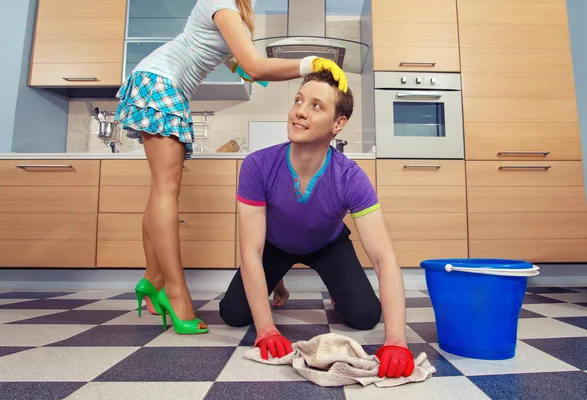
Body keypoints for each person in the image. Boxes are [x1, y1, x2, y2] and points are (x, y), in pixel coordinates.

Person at [116, 0, 348, 335]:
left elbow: (241, 66)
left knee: (160, 189)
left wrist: (273, 77)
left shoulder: (231, 13)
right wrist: (311, 63)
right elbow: (254, 67)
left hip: (162, 83)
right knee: (166, 188)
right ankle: (177, 295)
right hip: (162, 82)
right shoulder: (221, 3)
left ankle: (154, 279)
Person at [219, 70, 415, 379]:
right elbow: (251, 252)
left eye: (316, 106)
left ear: (338, 124)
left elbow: (383, 257)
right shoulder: (257, 166)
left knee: (365, 316)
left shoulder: (350, 177)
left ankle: (335, 286)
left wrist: (397, 341)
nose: (299, 111)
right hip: (274, 245)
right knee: (233, 314)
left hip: (328, 245)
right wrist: (267, 329)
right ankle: (276, 280)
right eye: (299, 100)